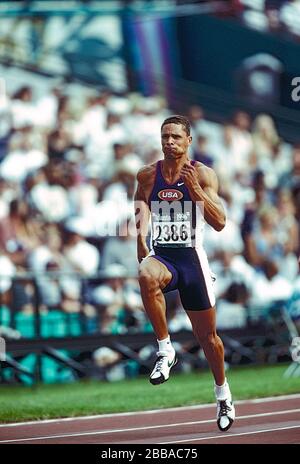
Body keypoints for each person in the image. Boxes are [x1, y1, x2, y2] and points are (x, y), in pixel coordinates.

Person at [134, 115, 235, 432]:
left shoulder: (203, 175)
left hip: (192, 261)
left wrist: (195, 191)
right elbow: (140, 204)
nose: (169, 142)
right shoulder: (149, 175)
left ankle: (222, 394)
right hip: (164, 256)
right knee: (145, 274)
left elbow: (219, 222)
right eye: (165, 136)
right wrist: (141, 238)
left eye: (176, 137)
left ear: (189, 140)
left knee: (209, 340)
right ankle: (165, 349)